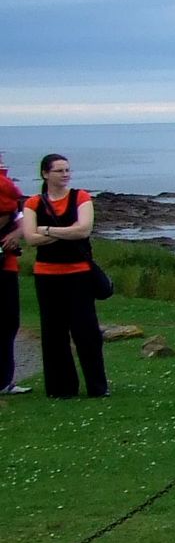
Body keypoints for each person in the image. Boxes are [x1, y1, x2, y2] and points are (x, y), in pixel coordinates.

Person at [17, 154, 108, 400]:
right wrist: (66, 232)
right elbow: (31, 238)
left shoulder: (81, 197)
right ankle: (61, 389)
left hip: (79, 274)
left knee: (86, 331)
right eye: (59, 171)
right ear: (46, 174)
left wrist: (47, 229)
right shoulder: (34, 202)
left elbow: (84, 229)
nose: (65, 174)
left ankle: (98, 387)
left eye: (67, 170)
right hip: (47, 275)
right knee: (53, 333)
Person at [0, 152, 26, 394]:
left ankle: (5, 381)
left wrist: (15, 235)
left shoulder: (8, 191)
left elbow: (21, 221)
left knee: (8, 322)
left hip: (6, 264)